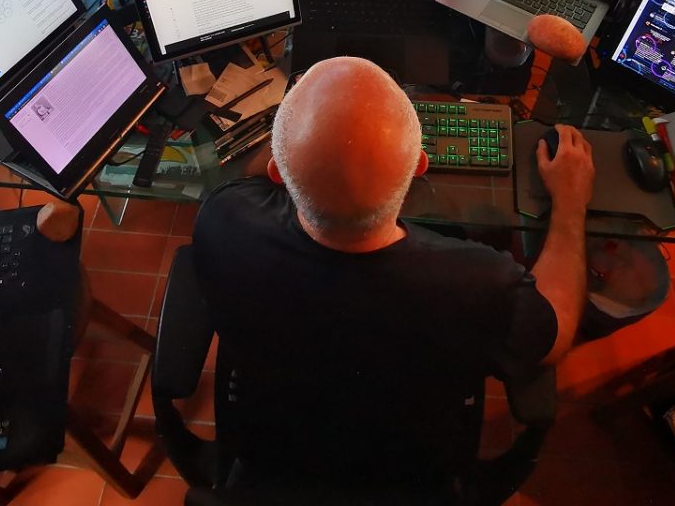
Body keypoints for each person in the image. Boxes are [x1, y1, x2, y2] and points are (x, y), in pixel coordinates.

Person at [192, 56, 592, 491]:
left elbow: (258, 176)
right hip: (408, 471)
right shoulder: (479, 282)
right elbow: (554, 335)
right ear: (420, 166)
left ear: (277, 173)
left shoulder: (224, 220)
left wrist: (312, 127)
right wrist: (570, 206)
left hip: (275, 450)